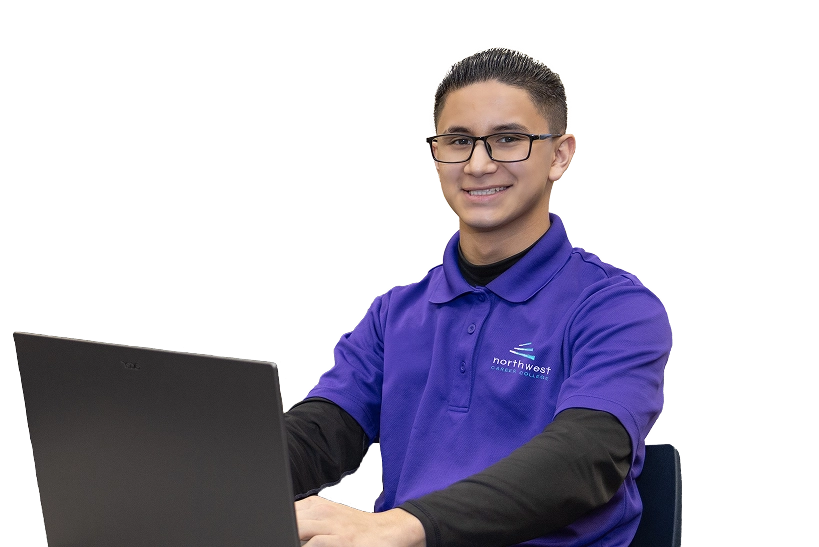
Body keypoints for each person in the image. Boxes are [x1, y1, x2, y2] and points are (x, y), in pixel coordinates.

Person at [284, 44, 672, 547]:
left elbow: (585, 458)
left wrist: (401, 526)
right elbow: (320, 433)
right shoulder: (395, 314)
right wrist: (210, 475)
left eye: (508, 139)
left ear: (561, 154)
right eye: (458, 140)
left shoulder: (618, 309)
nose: (479, 164)